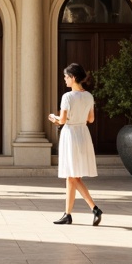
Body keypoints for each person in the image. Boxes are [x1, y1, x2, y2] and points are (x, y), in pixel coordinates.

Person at [48, 63, 102, 225]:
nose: (64, 80)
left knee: (72, 176)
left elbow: (62, 121)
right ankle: (67, 214)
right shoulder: (89, 96)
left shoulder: (67, 97)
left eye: (66, 77)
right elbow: (91, 119)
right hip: (83, 134)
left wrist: (53, 118)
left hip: (70, 135)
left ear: (73, 77)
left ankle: (94, 208)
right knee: (71, 177)